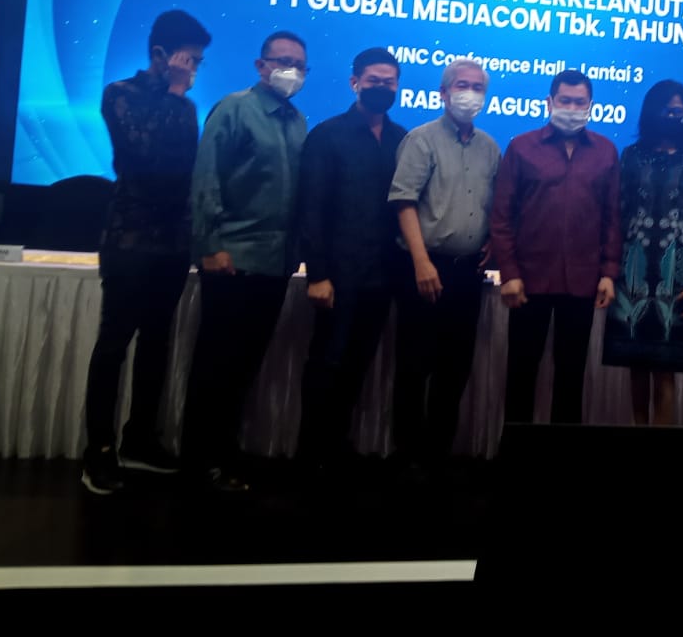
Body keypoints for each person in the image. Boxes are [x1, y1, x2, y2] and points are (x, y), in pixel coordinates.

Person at [81, 10, 211, 495]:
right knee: (114, 344)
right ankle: (98, 450)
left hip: (172, 243)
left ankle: (140, 439)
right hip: (129, 239)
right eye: (190, 60)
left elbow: (184, 171)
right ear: (162, 54)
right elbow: (143, 158)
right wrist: (174, 92)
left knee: (158, 342)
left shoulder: (188, 107)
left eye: (197, 62)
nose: (194, 70)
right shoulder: (120, 93)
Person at [182, 30, 309, 491]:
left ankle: (225, 451)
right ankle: (198, 461)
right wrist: (210, 245)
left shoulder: (298, 120)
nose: (291, 70)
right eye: (282, 61)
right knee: (215, 365)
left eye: (299, 65)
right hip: (231, 258)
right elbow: (206, 180)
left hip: (274, 265)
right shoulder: (234, 109)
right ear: (261, 65)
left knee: (245, 366)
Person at [295, 47, 407, 478]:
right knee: (327, 362)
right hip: (337, 275)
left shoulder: (402, 140)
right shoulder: (327, 135)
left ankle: (338, 446)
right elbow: (311, 209)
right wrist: (318, 274)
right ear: (354, 82)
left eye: (389, 82)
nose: (382, 87)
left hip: (382, 275)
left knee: (358, 364)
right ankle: (310, 454)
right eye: (374, 80)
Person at [490, 69, 621, 426]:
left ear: (591, 106)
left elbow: (613, 219)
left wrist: (609, 273)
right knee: (520, 372)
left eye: (580, 102)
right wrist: (509, 274)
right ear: (549, 102)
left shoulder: (606, 152)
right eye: (565, 101)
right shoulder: (521, 147)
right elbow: (501, 217)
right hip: (527, 282)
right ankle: (515, 451)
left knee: (571, 376)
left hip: (582, 282)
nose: (572, 109)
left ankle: (563, 456)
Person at [388, 58, 500, 467]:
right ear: (443, 92)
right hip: (424, 267)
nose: (470, 94)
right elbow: (403, 201)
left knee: (455, 368)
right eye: (461, 85)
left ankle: (438, 455)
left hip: (467, 272)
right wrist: (421, 262)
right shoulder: (421, 139)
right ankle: (407, 456)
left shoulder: (490, 147)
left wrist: (491, 239)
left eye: (477, 87)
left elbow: (493, 205)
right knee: (415, 366)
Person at [603, 80, 683, 425]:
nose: (672, 116)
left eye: (678, 112)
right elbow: (617, 213)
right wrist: (608, 270)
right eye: (666, 110)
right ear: (651, 113)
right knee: (636, 365)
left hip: (677, 277)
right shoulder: (631, 155)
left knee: (666, 367)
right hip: (632, 275)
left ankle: (661, 444)